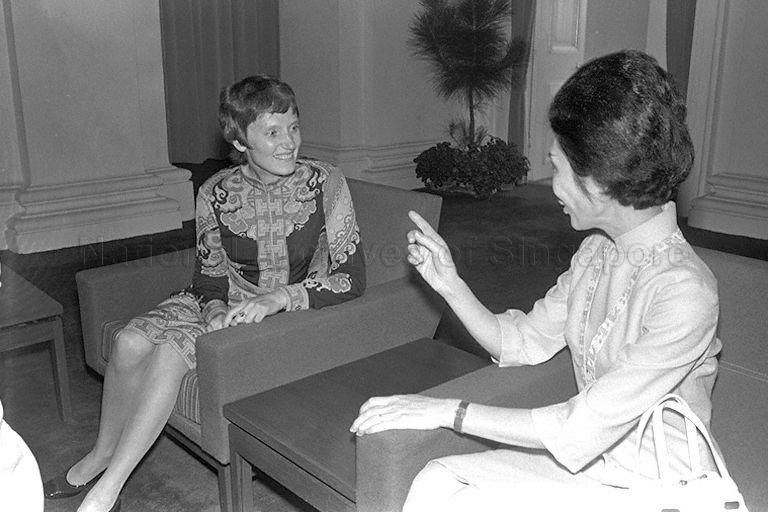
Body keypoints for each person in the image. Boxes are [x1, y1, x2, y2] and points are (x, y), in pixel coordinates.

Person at [351, 50, 722, 511]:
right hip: (595, 463)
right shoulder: (597, 253)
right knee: (438, 480)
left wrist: (449, 410)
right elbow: (520, 342)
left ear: (601, 180)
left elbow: (580, 425)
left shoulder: (686, 293)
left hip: (661, 484)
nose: (550, 184)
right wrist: (450, 283)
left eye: (558, 167)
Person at [43, 75, 365, 512]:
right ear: (239, 140)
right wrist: (213, 306)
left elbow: (350, 276)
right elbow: (210, 274)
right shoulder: (215, 191)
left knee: (171, 352)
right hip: (221, 301)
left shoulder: (326, 181)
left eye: (293, 127)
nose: (289, 142)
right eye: (272, 132)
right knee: (129, 341)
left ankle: (107, 491)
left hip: (282, 315)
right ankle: (101, 453)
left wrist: (281, 297)